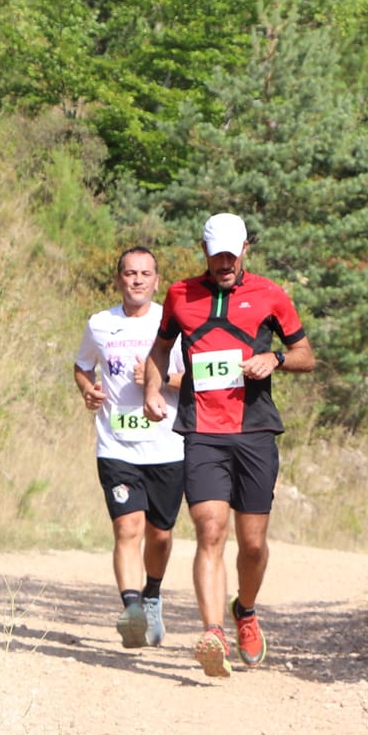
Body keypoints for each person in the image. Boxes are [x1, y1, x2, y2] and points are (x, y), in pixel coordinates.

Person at [144, 213, 314, 677]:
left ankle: (247, 610)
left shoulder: (271, 295)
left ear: (245, 251)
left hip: (255, 431)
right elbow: (160, 349)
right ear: (204, 249)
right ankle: (212, 631)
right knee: (210, 531)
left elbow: (306, 355)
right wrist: (152, 391)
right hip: (202, 432)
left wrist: (273, 358)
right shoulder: (180, 294)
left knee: (253, 544)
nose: (223, 262)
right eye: (215, 253)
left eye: (230, 254)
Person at [72, 246, 185, 649]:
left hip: (167, 446)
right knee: (127, 528)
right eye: (129, 273)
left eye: (145, 274)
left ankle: (152, 594)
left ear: (157, 281)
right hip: (116, 445)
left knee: (159, 535)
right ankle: (132, 608)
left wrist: (158, 379)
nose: (136, 280)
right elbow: (82, 365)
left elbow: (194, 383)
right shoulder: (100, 324)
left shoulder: (173, 325)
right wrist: (88, 390)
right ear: (119, 279)